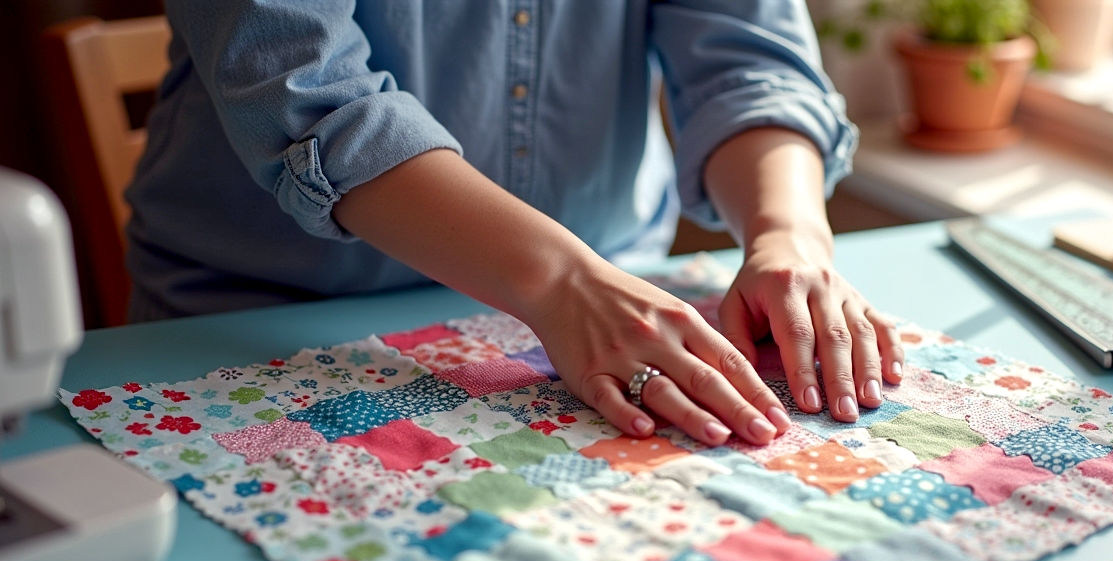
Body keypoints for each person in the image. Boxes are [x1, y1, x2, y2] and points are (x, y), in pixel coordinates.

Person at [125, 1, 906, 449]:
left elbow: (750, 62)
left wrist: (787, 235)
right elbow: (312, 93)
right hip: (267, 323)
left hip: (611, 316)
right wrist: (564, 282)